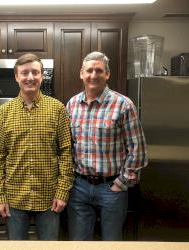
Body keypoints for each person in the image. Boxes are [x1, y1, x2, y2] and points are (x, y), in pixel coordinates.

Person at [0, 53, 74, 240]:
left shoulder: (57, 109)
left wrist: (62, 192)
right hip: (14, 199)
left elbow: (66, 153)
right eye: (24, 73)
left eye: (35, 72)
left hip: (49, 199)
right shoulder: (4, 112)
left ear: (42, 76)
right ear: (16, 77)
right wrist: (0, 196)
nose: (30, 77)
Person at [66, 51, 148, 241]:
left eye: (99, 71)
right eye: (89, 70)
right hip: (79, 187)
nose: (93, 75)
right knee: (79, 243)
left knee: (112, 243)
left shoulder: (123, 105)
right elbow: (66, 146)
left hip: (111, 188)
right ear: (81, 73)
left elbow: (138, 150)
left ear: (107, 74)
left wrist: (121, 183)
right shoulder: (72, 105)